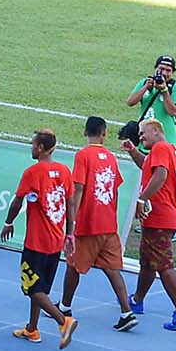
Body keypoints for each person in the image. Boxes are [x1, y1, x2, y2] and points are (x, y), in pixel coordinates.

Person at [0, 129, 80, 347]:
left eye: (33, 144)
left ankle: (64, 321)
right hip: (55, 241)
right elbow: (70, 204)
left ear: (41, 148)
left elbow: (17, 202)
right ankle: (32, 328)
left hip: (36, 243)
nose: (31, 147)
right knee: (41, 288)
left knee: (32, 289)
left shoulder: (32, 173)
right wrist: (69, 233)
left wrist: (8, 222)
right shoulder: (64, 171)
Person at [120, 114, 176, 332]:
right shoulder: (165, 150)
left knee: (163, 263)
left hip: (160, 216)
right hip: (159, 216)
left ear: (156, 131)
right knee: (147, 260)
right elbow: (148, 167)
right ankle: (137, 299)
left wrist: (142, 199)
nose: (140, 136)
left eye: (143, 133)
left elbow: (160, 175)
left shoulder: (161, 149)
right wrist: (134, 151)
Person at [63, 118, 132, 324]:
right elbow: (115, 186)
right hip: (109, 223)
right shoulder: (111, 157)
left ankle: (65, 307)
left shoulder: (83, 156)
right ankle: (126, 312)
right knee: (112, 269)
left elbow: (78, 189)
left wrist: (71, 221)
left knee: (73, 264)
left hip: (88, 224)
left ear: (85, 132)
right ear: (104, 134)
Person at [130, 55, 176, 145]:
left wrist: (164, 90)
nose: (164, 73)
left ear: (173, 72)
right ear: (155, 68)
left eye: (168, 70)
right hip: (144, 141)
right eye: (161, 69)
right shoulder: (144, 83)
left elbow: (173, 112)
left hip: (166, 142)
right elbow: (130, 102)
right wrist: (145, 87)